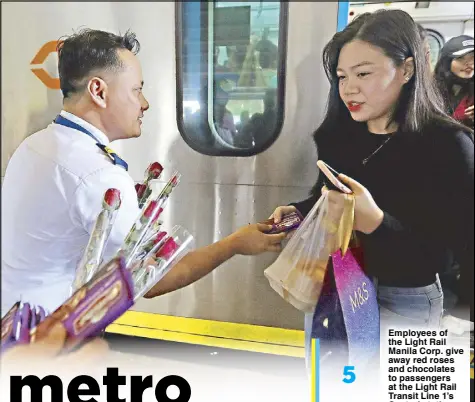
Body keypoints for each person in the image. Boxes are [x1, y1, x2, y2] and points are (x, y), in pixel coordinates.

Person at [1, 29, 286, 317]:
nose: (144, 103)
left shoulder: (35, 145)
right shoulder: (100, 175)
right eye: (136, 90)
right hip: (44, 338)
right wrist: (234, 244)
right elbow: (154, 278)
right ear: (98, 91)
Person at [270, 10, 474, 355]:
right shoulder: (339, 136)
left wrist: (377, 223)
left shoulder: (449, 144)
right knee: (328, 388)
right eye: (341, 76)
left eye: (363, 73)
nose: (349, 88)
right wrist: (298, 212)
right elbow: (329, 200)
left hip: (408, 300)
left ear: (407, 69)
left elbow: (453, 249)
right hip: (337, 286)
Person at [434, 35, 474, 129]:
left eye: (473, 57)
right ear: (447, 63)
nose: (469, 64)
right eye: (460, 58)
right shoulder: (430, 89)